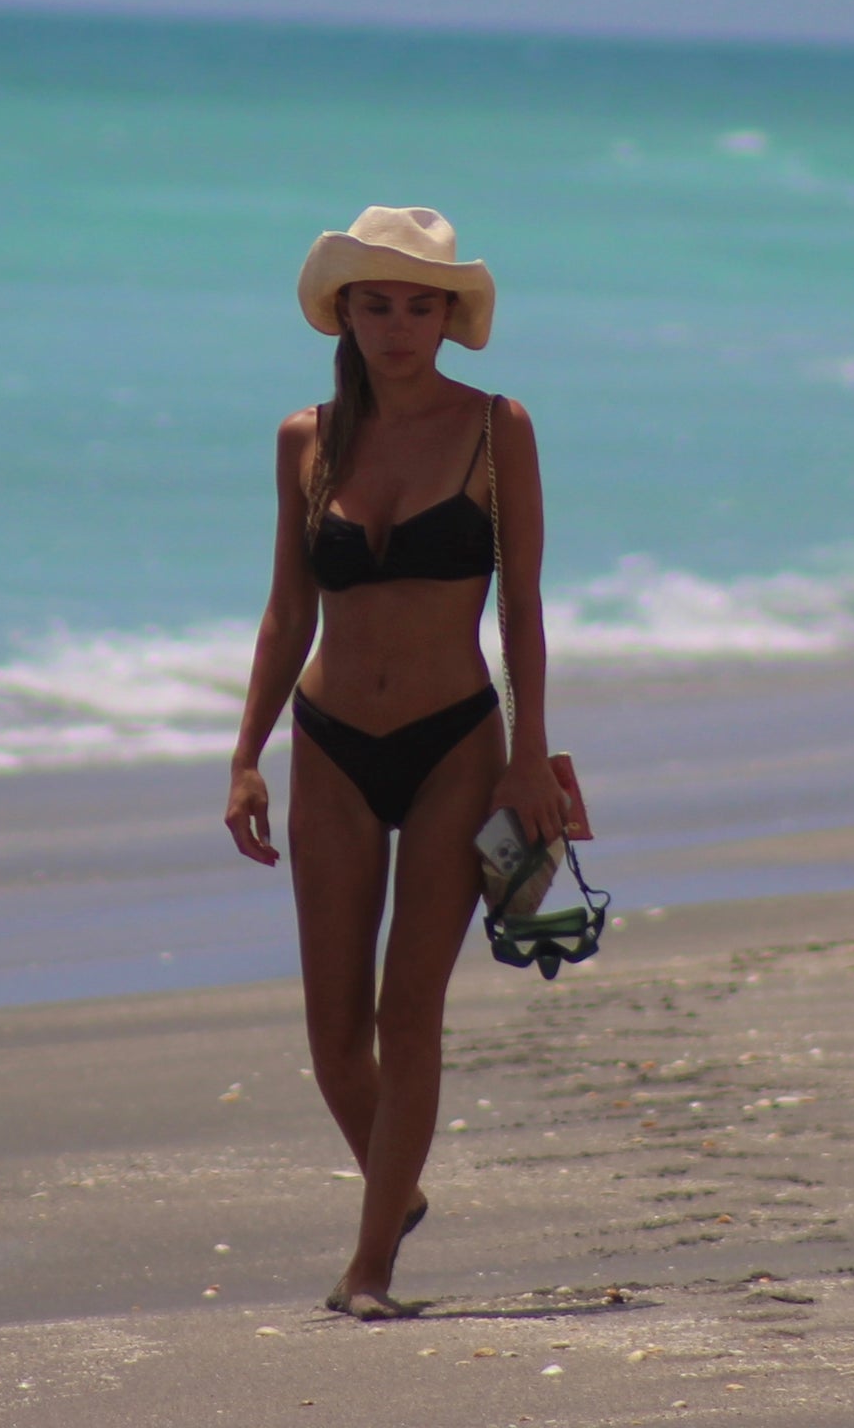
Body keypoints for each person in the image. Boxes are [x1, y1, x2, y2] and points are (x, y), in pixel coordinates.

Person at [225, 205, 564, 1318]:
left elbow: (521, 609)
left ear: (450, 316)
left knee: (409, 1009)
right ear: (347, 313)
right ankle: (396, 1187)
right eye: (378, 303)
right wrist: (246, 755)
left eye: (421, 304)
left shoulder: (494, 427)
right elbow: (285, 610)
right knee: (334, 1034)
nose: (399, 324)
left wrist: (528, 763)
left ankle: (370, 1266)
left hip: (456, 742)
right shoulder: (302, 438)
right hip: (328, 744)